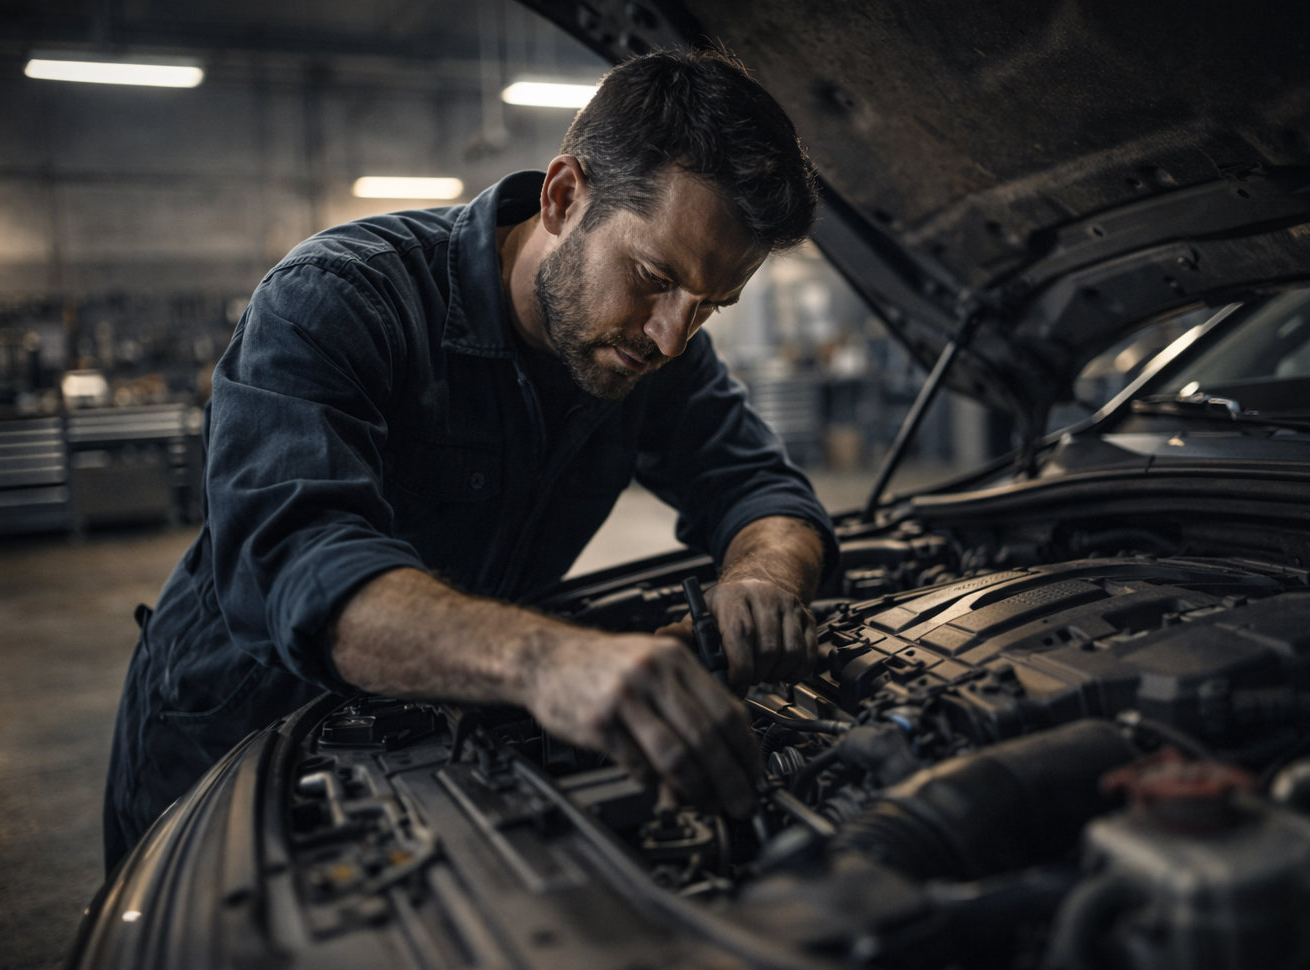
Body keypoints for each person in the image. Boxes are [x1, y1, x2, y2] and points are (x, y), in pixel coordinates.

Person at [103, 48, 837, 871]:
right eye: (654, 276)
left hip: (432, 737)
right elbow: (296, 564)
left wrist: (763, 579)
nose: (672, 333)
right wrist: (547, 660)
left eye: (710, 305)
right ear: (564, 197)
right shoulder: (339, 297)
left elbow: (760, 487)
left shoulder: (648, 351)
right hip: (231, 748)